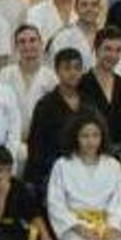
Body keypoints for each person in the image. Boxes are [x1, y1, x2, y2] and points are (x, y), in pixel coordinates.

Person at [47, 114, 121, 240]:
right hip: (75, 224)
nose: (91, 141)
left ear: (102, 137)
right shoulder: (63, 164)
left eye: (95, 135)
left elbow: (118, 201)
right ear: (75, 137)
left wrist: (112, 227)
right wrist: (78, 227)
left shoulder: (113, 165)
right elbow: (55, 203)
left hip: (105, 224)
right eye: (85, 136)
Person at [24, 49, 95, 193]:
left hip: (87, 171)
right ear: (57, 71)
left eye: (77, 68)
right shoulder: (45, 104)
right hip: (54, 172)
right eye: (67, 68)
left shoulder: (89, 102)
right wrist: (34, 179)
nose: (73, 73)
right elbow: (36, 145)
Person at [0, 146, 55, 240]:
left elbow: (34, 213)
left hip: (13, 227)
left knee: (50, 234)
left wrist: (46, 237)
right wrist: (2, 195)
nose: (4, 176)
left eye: (8, 170)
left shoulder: (17, 186)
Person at [0, 25, 58, 141]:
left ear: (41, 43)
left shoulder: (51, 78)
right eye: (22, 42)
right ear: (16, 47)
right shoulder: (5, 75)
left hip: (42, 141)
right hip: (10, 141)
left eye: (32, 40)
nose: (27, 45)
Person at [80, 27, 121, 159]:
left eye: (118, 50)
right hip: (89, 156)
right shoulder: (82, 84)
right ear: (96, 50)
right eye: (107, 49)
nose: (113, 55)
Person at [47, 0, 101, 71]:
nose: (89, 9)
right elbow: (52, 70)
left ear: (100, 9)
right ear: (75, 8)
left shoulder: (108, 36)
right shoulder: (62, 38)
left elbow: (118, 70)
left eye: (94, 5)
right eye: (84, 5)